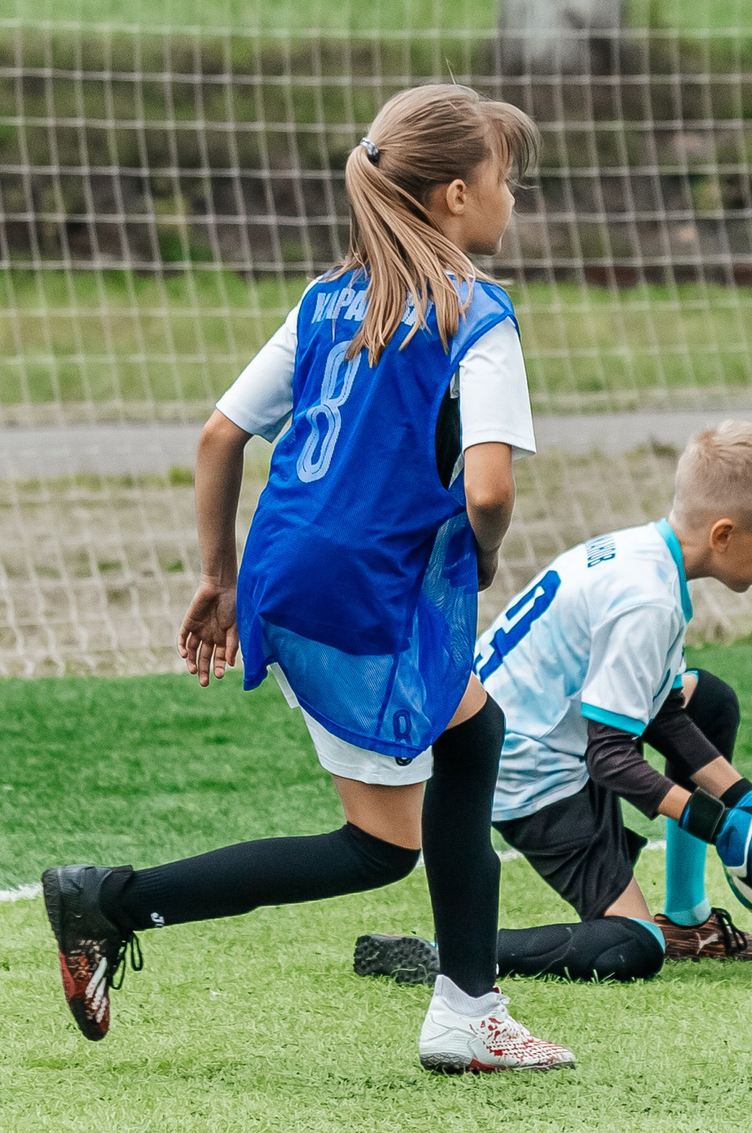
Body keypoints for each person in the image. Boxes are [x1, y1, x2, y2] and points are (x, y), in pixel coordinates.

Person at [37, 82, 574, 1076]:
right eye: (508, 180)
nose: (514, 200)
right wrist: (486, 555)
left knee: (474, 727)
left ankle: (468, 1007)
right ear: (456, 195)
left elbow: (219, 434)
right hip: (360, 592)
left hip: (292, 571)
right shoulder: (478, 315)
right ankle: (107, 900)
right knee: (378, 845)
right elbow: (490, 490)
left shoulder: (328, 301)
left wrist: (218, 572)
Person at [352, 422, 752, 986]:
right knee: (631, 946)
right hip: (520, 769)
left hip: (516, 729)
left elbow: (661, 710)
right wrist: (724, 827)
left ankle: (686, 919)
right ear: (723, 534)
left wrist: (742, 802)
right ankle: (448, 950)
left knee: (708, 697)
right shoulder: (646, 603)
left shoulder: (642, 552)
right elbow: (611, 759)